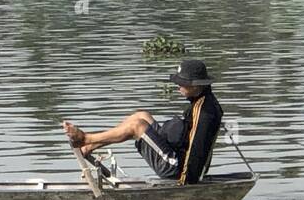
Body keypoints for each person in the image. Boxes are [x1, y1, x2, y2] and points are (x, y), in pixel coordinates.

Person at [62, 60, 224, 184]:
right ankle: (89, 146)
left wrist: (185, 183)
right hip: (177, 156)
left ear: (196, 85)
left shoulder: (204, 112)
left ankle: (86, 139)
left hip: (178, 169)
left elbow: (198, 148)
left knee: (137, 126)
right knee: (141, 115)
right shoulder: (201, 99)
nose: (178, 86)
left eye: (182, 83)